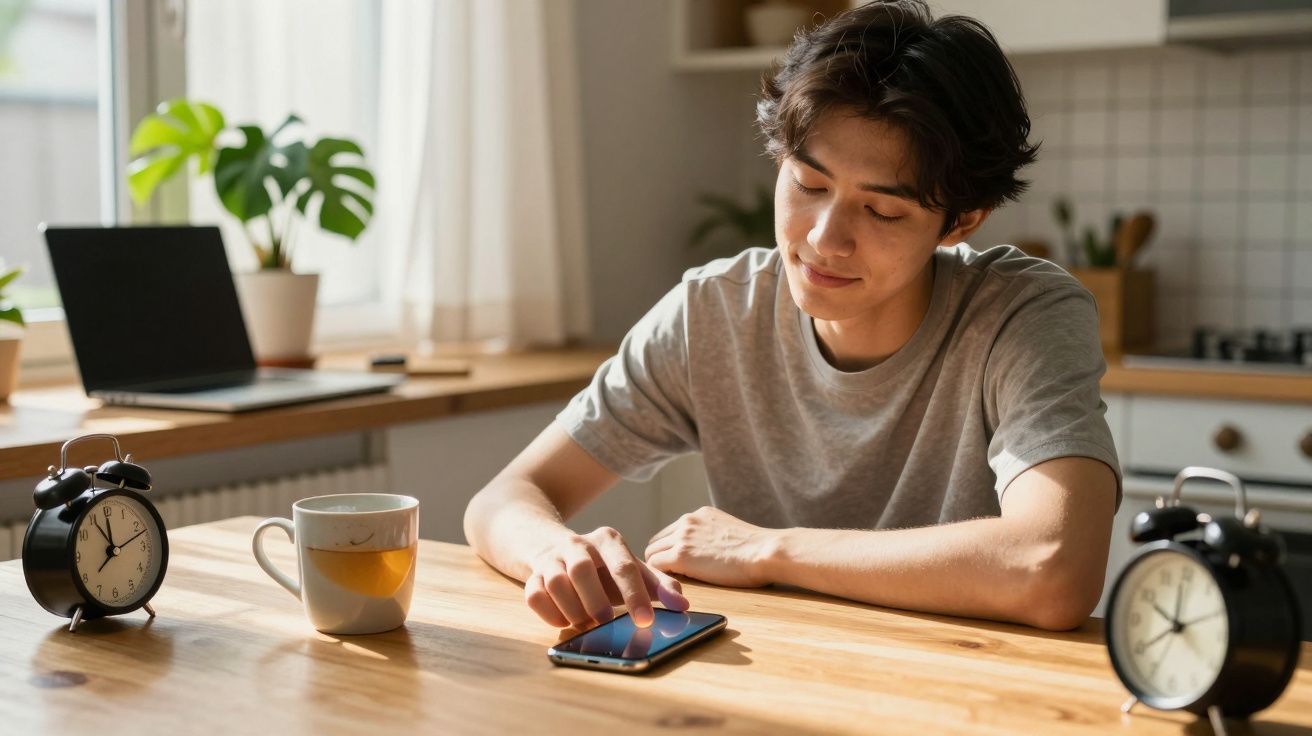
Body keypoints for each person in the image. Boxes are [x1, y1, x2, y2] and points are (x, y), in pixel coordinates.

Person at [463, 0, 1120, 633]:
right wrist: (553, 551)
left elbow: (1053, 567)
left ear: (962, 221)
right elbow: (504, 498)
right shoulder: (714, 311)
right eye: (809, 184)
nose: (824, 239)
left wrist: (769, 551)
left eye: (883, 210)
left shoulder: (1022, 316)